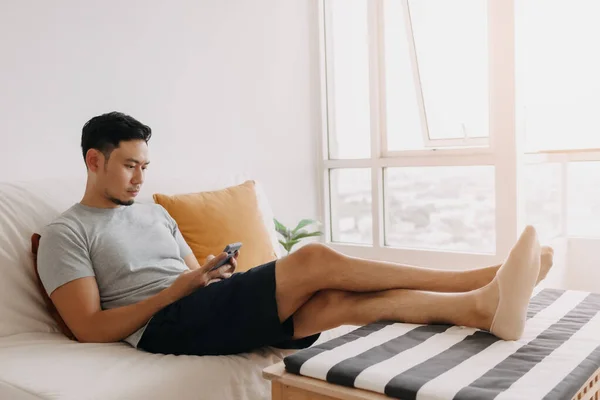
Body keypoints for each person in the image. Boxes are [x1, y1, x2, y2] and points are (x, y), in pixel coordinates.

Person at [37, 111, 554, 357]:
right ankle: (480, 276)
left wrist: (212, 272)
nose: (141, 178)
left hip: (199, 305)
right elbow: (88, 328)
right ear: (93, 160)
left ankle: (481, 308)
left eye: (145, 166)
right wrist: (177, 290)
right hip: (162, 328)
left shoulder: (151, 210)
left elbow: (190, 272)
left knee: (337, 301)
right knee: (313, 259)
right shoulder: (67, 233)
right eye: (129, 166)